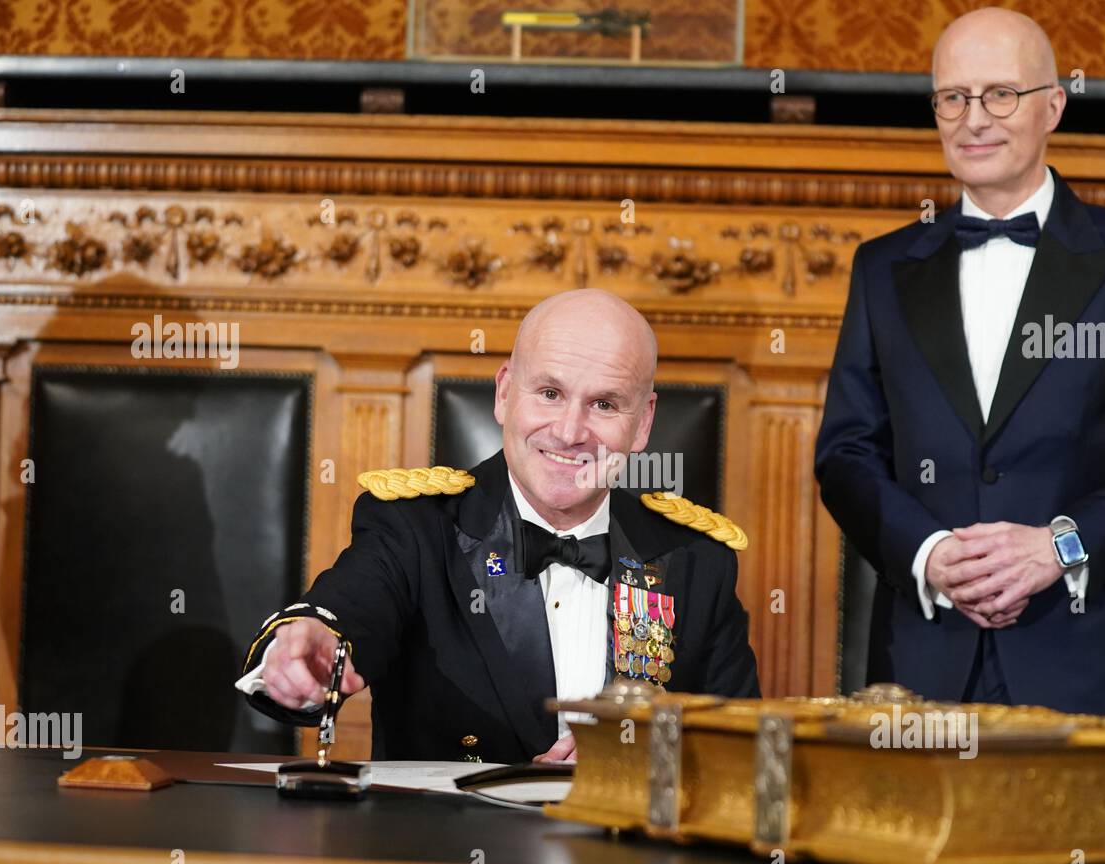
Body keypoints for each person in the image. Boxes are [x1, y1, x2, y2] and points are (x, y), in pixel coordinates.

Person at [814, 8, 1105, 716]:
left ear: (1053, 106)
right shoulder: (882, 268)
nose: (974, 119)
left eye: (1001, 94)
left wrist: (1060, 548)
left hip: (1088, 667)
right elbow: (846, 453)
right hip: (920, 669)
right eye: (953, 97)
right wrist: (928, 553)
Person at [237, 288, 760, 762]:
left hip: (630, 863)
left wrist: (643, 764)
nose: (570, 431)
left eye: (604, 404)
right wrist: (311, 646)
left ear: (642, 422)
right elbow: (347, 612)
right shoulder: (417, 527)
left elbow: (740, 751)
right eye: (549, 393)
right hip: (447, 856)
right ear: (505, 393)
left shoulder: (696, 559)